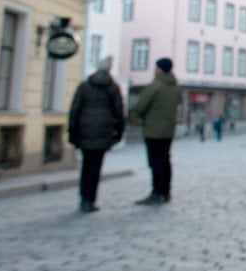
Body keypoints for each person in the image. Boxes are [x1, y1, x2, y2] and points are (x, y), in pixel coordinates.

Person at [68, 56, 125, 213]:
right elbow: (119, 112)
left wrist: (72, 131)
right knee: (95, 167)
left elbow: (74, 109)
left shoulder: (84, 86)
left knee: (86, 165)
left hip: (84, 131)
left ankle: (83, 197)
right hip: (103, 132)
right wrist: (119, 132)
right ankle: (90, 199)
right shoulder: (113, 88)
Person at [135, 57, 181, 205]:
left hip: (153, 130)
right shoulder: (175, 87)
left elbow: (141, 107)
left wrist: (142, 116)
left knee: (156, 162)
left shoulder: (155, 86)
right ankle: (166, 192)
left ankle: (157, 192)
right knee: (165, 160)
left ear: (160, 69)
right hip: (168, 130)